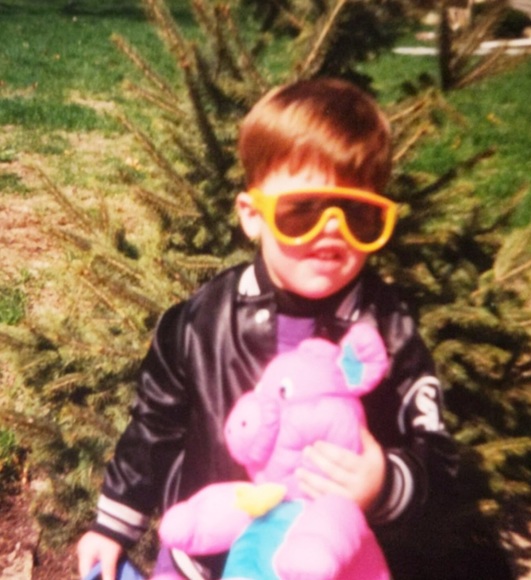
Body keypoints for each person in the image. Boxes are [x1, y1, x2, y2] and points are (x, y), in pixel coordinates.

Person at [77, 77, 458, 580]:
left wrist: (385, 484)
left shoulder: (387, 330)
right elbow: (154, 427)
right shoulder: (202, 320)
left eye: (358, 214)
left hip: (327, 562)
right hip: (206, 557)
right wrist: (112, 526)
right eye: (302, 211)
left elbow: (437, 453)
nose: (331, 230)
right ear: (252, 216)